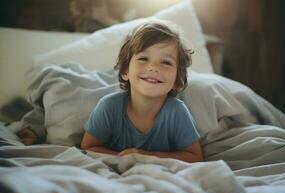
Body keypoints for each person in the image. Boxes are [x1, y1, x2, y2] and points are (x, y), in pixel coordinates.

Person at [80, 20, 203, 162]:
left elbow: (195, 157)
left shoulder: (177, 112)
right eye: (143, 58)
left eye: (166, 62)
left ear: (177, 80)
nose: (153, 67)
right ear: (125, 71)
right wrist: (125, 159)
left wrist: (144, 156)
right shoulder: (108, 107)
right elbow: (87, 148)